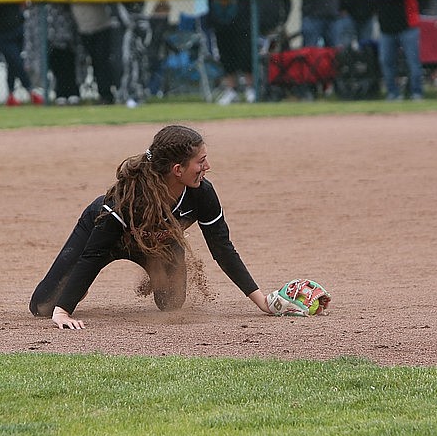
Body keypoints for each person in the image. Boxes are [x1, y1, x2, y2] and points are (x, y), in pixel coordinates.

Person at [29, 124, 276, 328]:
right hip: (105, 237)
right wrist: (63, 310)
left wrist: (261, 301)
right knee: (42, 306)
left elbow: (222, 248)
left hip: (156, 243)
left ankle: (152, 267)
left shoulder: (202, 194)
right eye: (201, 161)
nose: (207, 167)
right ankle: (74, 288)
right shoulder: (128, 199)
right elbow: (93, 254)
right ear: (177, 170)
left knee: (172, 303)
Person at [50, 0, 116, 104]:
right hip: (83, 29)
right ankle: (85, 94)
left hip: (101, 27)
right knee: (85, 64)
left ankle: (106, 95)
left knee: (102, 63)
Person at [198, 0, 254, 104]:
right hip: (220, 22)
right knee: (226, 57)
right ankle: (231, 90)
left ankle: (251, 89)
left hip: (241, 20)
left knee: (245, 55)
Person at [361, 0, 423, 101]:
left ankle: (416, 93)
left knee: (413, 62)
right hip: (386, 29)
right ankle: (393, 93)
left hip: (408, 27)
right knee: (387, 62)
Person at [28, 0, 80, 104]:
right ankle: (59, 94)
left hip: (64, 35)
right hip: (45, 36)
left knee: (68, 64)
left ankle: (73, 93)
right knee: (54, 67)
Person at [112, 0, 151, 108]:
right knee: (122, 62)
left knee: (137, 62)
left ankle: (137, 94)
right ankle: (123, 94)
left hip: (138, 29)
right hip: (121, 31)